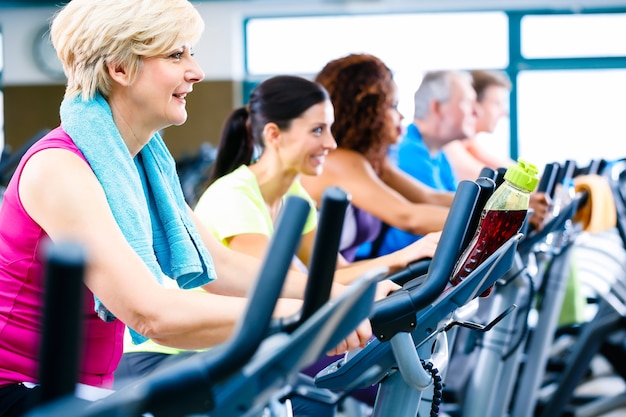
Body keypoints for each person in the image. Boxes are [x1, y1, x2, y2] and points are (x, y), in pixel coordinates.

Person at [0, 2, 371, 416]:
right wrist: (306, 311)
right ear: (119, 69)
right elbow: (150, 313)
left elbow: (223, 267)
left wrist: (342, 294)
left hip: (86, 387)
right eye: (177, 55)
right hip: (21, 390)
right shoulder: (59, 167)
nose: (196, 71)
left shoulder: (139, 162)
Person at [299, 53, 453, 263]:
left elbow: (429, 198)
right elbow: (408, 217)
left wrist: (494, 205)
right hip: (324, 283)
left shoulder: (370, 163)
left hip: (346, 279)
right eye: (393, 106)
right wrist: (487, 221)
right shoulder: (340, 161)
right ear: (367, 112)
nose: (401, 116)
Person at [375, 70, 478, 257]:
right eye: (467, 102)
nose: (475, 111)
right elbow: (418, 217)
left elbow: (449, 200)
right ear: (438, 107)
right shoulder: (405, 151)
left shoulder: (439, 153)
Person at [442, 69, 515, 182]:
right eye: (497, 104)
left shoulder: (471, 145)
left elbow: (504, 169)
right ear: (473, 104)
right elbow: (488, 182)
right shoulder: (449, 145)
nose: (504, 113)